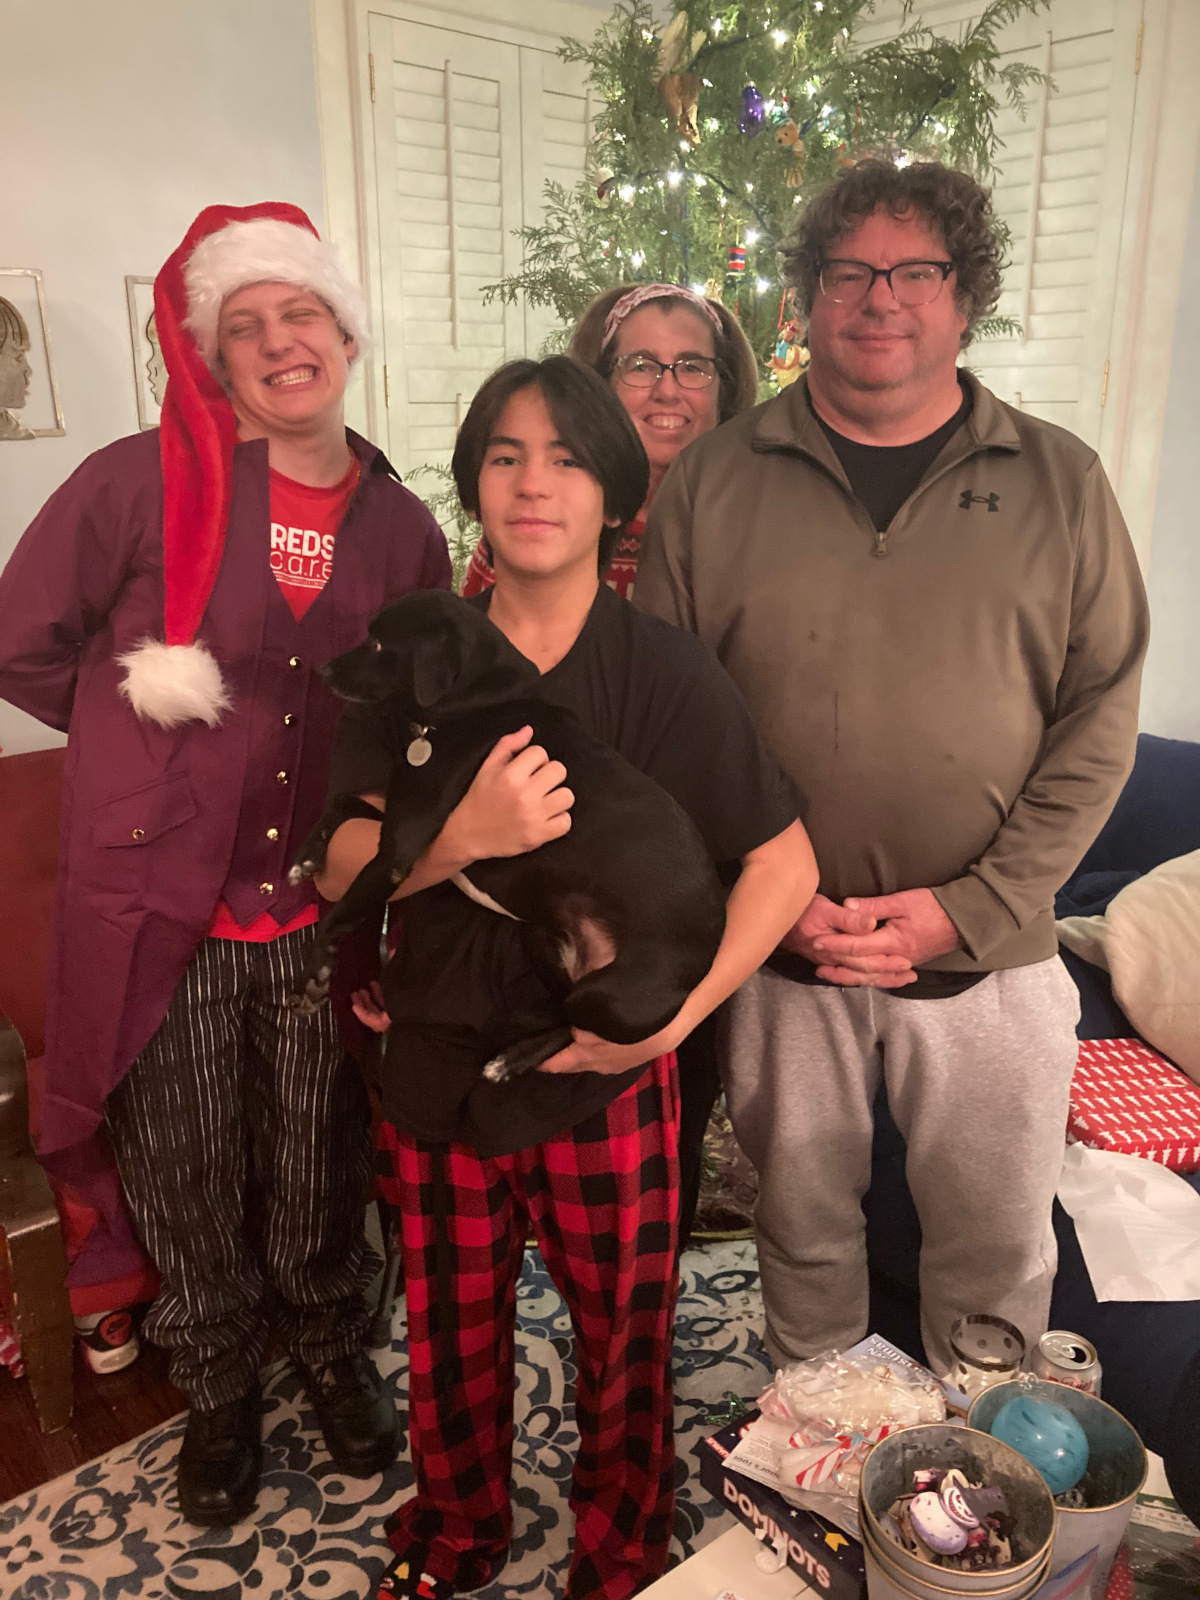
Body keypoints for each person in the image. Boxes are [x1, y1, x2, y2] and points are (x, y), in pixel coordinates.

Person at [635, 158, 1150, 1375]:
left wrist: (969, 908)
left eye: (916, 271)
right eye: (849, 271)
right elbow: (662, 724)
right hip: (782, 951)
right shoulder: (712, 481)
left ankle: (978, 1470)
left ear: (965, 298)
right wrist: (764, 898)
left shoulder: (1063, 481)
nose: (880, 298)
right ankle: (818, 1450)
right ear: (805, 296)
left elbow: (1100, 717)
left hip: (993, 960)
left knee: (995, 1257)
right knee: (802, 1236)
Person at [316, 354, 816, 1600]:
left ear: (615, 494)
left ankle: (618, 1542)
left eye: (567, 458)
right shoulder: (424, 647)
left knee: (625, 1336)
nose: (533, 484)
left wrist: (672, 1022)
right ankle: (457, 1529)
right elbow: (339, 865)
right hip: (436, 1060)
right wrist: (461, 837)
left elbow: (784, 863)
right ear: (473, 483)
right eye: (504, 456)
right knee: (449, 1330)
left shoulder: (664, 671)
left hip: (605, 1075)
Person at [0, 202, 451, 1524]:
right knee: (184, 1164)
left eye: (300, 312)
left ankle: (328, 1343)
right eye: (244, 325)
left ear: (346, 334)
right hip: (164, 906)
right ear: (213, 358)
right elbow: (22, 643)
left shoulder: (403, 527)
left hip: (322, 905)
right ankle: (218, 1380)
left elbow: (411, 710)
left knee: (318, 1150)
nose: (278, 341)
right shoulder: (132, 484)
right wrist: (133, 747)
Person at [459, 284, 759, 1250]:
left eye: (692, 365)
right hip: (553, 859)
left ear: (725, 387)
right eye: (640, 363)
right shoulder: (534, 531)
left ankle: (652, 1238)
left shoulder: (755, 522)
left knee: (670, 1088)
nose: (668, 387)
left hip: (707, 859)